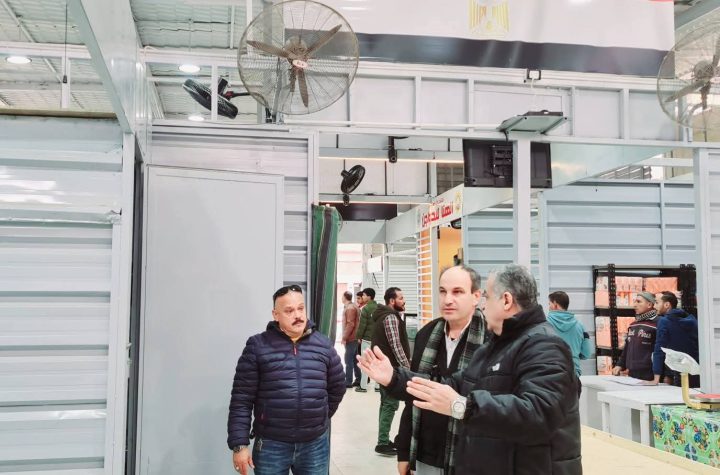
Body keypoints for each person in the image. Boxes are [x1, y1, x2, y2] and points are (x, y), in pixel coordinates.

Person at [359, 264, 582, 474]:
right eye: (443, 291)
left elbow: (538, 413)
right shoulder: (495, 347)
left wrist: (461, 407)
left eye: (487, 297)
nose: (483, 305)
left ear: (506, 300)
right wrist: (394, 378)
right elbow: (450, 386)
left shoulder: (543, 345)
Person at [227, 285, 346, 475]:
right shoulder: (257, 346)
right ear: (275, 315)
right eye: (289, 311)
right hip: (271, 444)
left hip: (315, 445)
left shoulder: (323, 345)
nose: (297, 315)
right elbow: (241, 398)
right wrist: (239, 445)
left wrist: (319, 415)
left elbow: (338, 386)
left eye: (301, 308)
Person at [396, 265, 487, 475]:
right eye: (443, 291)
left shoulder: (492, 340)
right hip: (427, 453)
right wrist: (404, 451)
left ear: (476, 296)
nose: (447, 300)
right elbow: (414, 394)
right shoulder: (426, 335)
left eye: (457, 292)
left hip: (473, 457)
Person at [371, 286, 410, 456]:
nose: (404, 301)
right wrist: (407, 367)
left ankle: (384, 439)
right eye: (401, 298)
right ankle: (382, 443)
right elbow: (396, 346)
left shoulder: (383, 316)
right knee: (390, 404)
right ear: (392, 301)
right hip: (390, 369)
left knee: (385, 403)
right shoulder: (391, 317)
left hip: (383, 367)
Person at [652, 291, 700, 387]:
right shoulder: (692, 319)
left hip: (680, 371)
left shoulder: (664, 321)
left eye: (657, 302)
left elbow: (659, 349)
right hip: (698, 369)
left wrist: (656, 378)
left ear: (667, 305)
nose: (654, 306)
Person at [612, 291, 659, 382]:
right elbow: (627, 347)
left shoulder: (658, 323)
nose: (635, 305)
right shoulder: (633, 324)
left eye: (638, 302)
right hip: (632, 374)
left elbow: (663, 350)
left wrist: (667, 375)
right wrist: (620, 365)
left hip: (651, 375)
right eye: (634, 301)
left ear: (649, 304)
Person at [547, 291, 593, 377]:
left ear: (555, 304)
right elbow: (586, 354)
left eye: (549, 304)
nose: (548, 307)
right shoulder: (580, 326)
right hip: (573, 374)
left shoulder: (544, 324)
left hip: (550, 373)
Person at [355, 287, 378, 393]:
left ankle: (363, 386)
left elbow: (362, 326)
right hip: (377, 340)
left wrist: (359, 337)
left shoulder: (366, 309)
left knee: (365, 363)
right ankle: (378, 386)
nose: (363, 297)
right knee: (377, 362)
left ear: (369, 297)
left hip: (367, 340)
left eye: (364, 295)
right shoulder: (379, 307)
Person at [341, 290, 361, 388]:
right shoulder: (354, 306)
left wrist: (344, 337)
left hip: (351, 338)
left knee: (348, 360)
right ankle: (358, 379)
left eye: (342, 296)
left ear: (345, 297)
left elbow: (350, 324)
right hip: (355, 337)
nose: (341, 298)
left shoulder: (350, 308)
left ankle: (348, 382)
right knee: (354, 359)